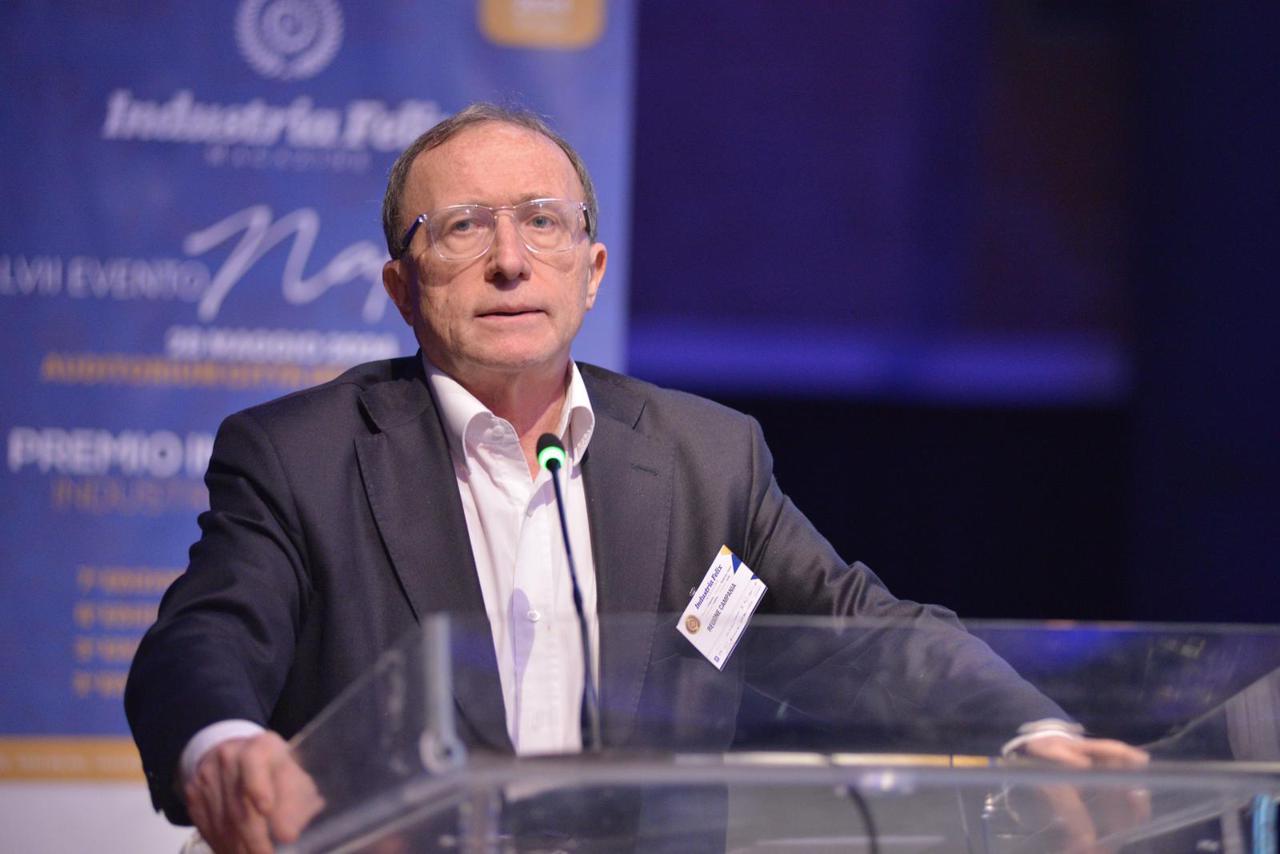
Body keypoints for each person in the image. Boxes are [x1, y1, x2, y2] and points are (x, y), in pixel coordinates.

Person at [125, 103, 1146, 853]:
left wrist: (1028, 731)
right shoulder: (300, 455)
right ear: (402, 286)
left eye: (542, 221)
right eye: (463, 227)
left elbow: (858, 635)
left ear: (592, 269)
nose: (510, 260)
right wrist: (224, 745)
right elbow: (205, 637)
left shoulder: (706, 458)